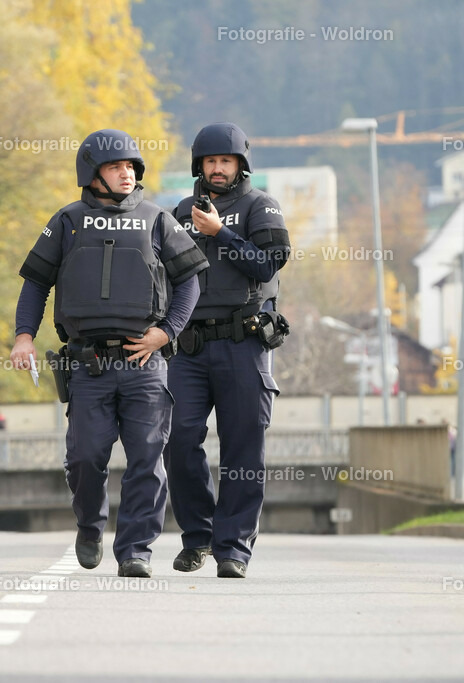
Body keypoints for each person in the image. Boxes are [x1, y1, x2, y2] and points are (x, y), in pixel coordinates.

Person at [11, 129, 206, 578]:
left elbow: (190, 281)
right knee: (85, 456)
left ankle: (136, 549)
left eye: (132, 167)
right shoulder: (67, 220)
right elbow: (36, 283)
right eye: (117, 166)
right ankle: (89, 525)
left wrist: (167, 332)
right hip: (88, 365)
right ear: (92, 172)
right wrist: (24, 336)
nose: (127, 173)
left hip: (145, 364)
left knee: (146, 460)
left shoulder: (157, 219)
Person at [164, 123, 291, 579]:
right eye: (210, 162)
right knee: (177, 441)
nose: (217, 169)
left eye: (226, 161)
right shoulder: (179, 212)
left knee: (243, 448)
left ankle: (233, 547)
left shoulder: (262, 205)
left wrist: (221, 234)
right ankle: (197, 537)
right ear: (199, 165)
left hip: (244, 342)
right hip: (189, 347)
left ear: (240, 164)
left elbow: (269, 263)